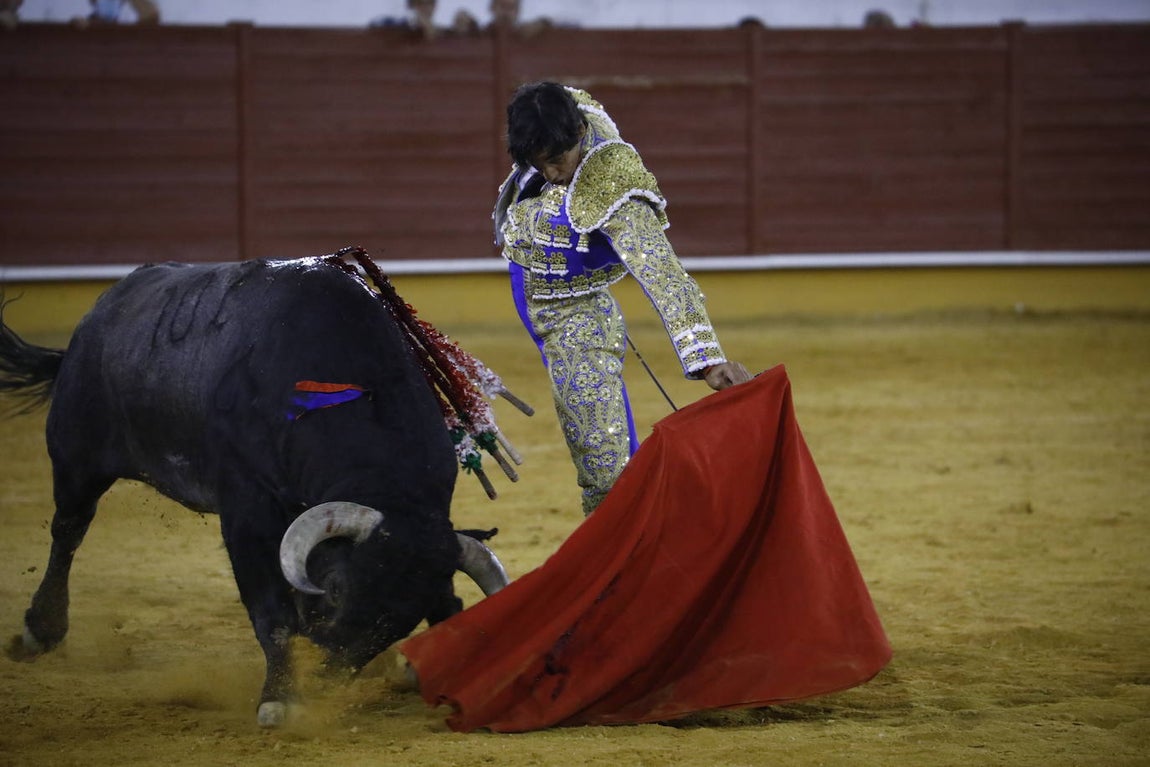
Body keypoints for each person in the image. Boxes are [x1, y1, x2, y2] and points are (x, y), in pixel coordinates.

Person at [494, 81, 752, 515]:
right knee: (607, 454)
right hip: (552, 295)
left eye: (557, 161)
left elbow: (663, 274)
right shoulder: (564, 114)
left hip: (572, 314)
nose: (553, 174)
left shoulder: (615, 184)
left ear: (579, 134)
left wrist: (708, 360)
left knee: (606, 474)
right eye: (541, 164)